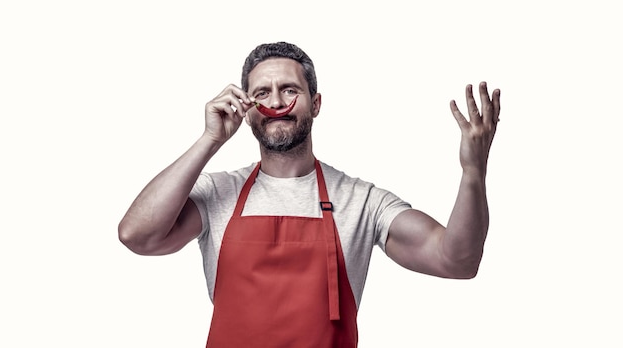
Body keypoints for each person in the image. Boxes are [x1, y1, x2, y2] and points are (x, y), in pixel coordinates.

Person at [118, 41, 501, 347]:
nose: (276, 103)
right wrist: (209, 139)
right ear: (247, 110)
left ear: (315, 105)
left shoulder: (361, 202)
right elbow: (137, 235)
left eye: (289, 90)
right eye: (262, 93)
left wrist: (473, 172)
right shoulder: (218, 192)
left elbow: (457, 261)